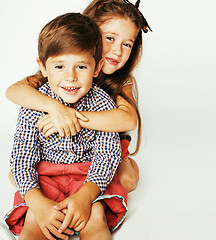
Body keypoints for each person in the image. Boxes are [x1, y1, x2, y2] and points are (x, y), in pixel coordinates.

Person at [6, 0, 151, 193]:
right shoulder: (64, 70)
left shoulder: (123, 81)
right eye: (109, 38)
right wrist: (55, 108)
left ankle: (103, 174)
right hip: (60, 148)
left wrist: (72, 117)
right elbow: (13, 91)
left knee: (127, 180)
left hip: (102, 147)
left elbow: (129, 119)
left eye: (127, 44)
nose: (117, 50)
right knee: (16, 177)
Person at [5, 12, 128, 240]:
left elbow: (106, 155)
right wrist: (38, 203)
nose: (70, 77)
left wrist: (85, 196)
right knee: (34, 218)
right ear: (43, 67)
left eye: (81, 67)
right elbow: (22, 158)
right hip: (46, 177)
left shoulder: (102, 102)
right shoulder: (34, 102)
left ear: (97, 67)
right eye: (59, 66)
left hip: (87, 176)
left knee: (95, 214)